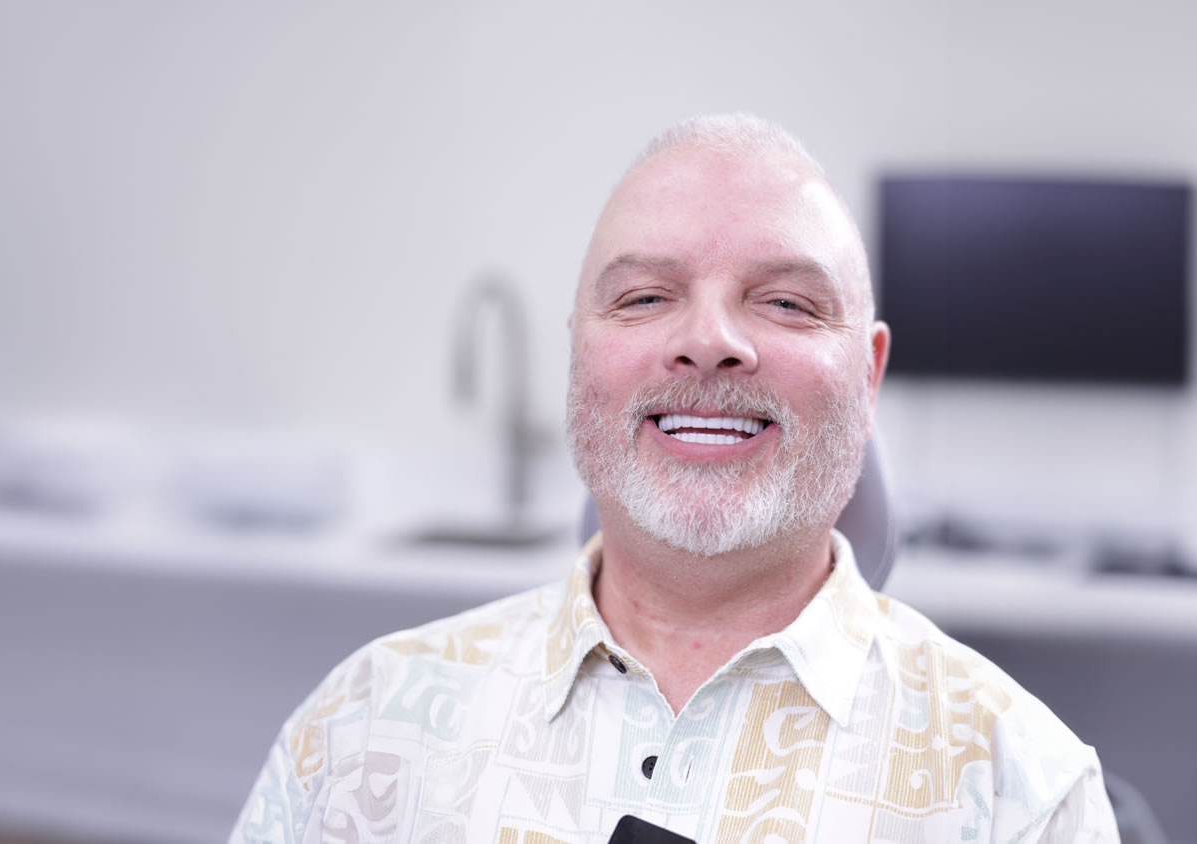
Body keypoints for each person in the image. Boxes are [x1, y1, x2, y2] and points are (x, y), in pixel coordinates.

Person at [230, 115, 1119, 843]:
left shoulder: (1021, 794)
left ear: (870, 374)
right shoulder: (358, 731)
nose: (709, 340)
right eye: (645, 297)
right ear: (579, 354)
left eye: (785, 302)